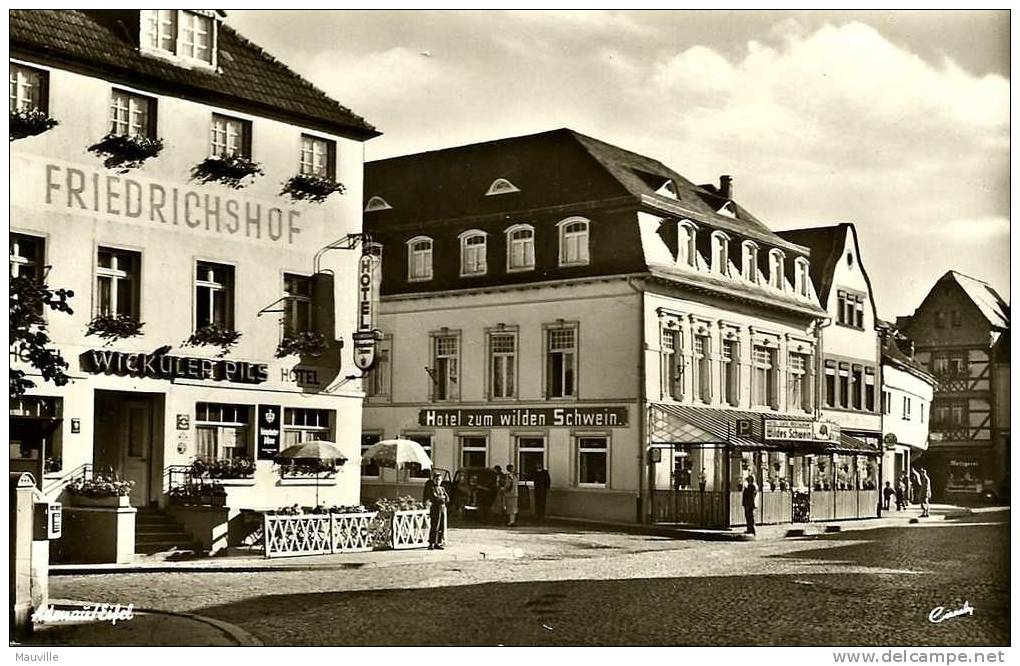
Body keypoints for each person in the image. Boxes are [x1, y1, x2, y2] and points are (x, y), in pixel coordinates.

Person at [423, 469, 449, 550]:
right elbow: (434, 498)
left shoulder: (442, 489)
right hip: (435, 508)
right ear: (434, 480)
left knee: (441, 526)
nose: (438, 481)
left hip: (442, 508)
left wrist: (442, 498)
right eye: (436, 479)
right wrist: (442, 498)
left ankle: (438, 542)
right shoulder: (432, 488)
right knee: (435, 526)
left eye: (439, 479)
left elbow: (447, 498)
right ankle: (431, 542)